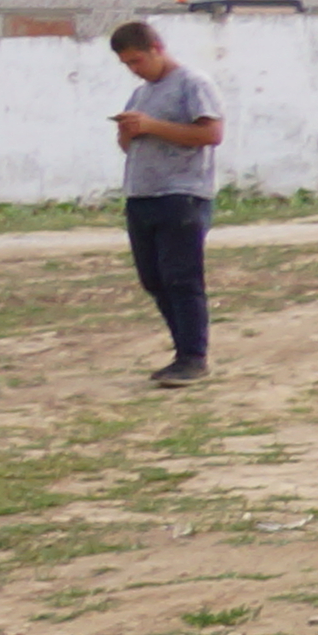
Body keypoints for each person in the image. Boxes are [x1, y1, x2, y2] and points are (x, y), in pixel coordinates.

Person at [106, 22, 221, 387]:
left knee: (181, 278)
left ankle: (193, 357)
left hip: (181, 193)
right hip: (142, 195)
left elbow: (210, 134)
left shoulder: (193, 83)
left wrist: (152, 126)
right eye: (127, 64)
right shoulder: (140, 95)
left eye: (137, 60)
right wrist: (128, 132)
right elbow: (130, 148)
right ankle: (182, 352)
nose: (134, 69)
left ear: (157, 47)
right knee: (154, 279)